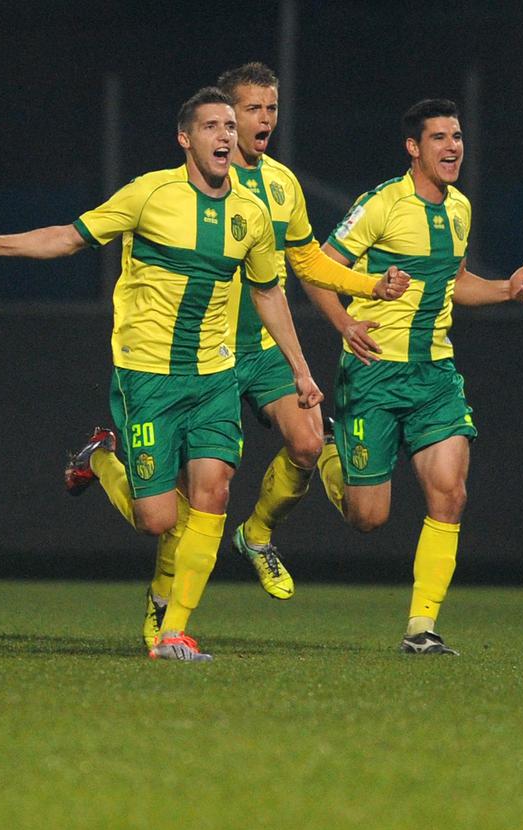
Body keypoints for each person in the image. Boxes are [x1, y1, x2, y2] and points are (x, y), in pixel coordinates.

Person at [0, 87, 402, 661]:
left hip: (213, 374)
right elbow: (70, 237)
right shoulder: (149, 194)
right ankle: (99, 456)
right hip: (146, 375)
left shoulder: (251, 212)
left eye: (228, 126)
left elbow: (270, 293)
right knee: (157, 519)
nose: (224, 135)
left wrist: (300, 369)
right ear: (185, 138)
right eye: (212, 126)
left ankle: (175, 632)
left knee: (214, 492)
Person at [140, 62, 408, 645]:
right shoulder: (187, 186)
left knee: (310, 440)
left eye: (272, 108)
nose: (265, 120)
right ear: (226, 122)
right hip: (202, 356)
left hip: (261, 349)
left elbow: (307, 261)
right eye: (253, 110)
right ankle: (163, 602)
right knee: (187, 497)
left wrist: (364, 291)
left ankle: (257, 534)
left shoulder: (281, 184)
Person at [303, 98, 523, 654]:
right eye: (439, 138)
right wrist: (343, 323)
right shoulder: (381, 205)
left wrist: (504, 289)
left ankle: (421, 629)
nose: (453, 147)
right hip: (374, 374)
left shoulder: (459, 209)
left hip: (434, 375)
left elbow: (454, 282)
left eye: (457, 136)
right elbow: (316, 266)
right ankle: (329, 450)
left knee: (450, 495)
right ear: (414, 148)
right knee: (370, 518)